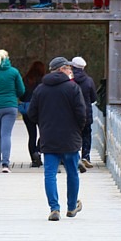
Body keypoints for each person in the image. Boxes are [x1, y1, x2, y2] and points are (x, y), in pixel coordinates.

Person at [27, 56, 86, 221]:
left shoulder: (40, 89)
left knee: (50, 174)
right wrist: (77, 130)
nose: (71, 71)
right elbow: (82, 114)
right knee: (72, 172)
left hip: (49, 137)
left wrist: (44, 123)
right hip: (70, 138)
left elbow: (32, 114)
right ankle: (72, 206)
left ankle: (54, 208)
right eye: (68, 68)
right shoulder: (73, 88)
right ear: (61, 69)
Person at [71, 56, 97, 172]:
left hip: (71, 113)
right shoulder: (89, 80)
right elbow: (93, 98)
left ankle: (74, 156)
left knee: (73, 135)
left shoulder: (69, 80)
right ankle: (86, 155)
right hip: (86, 112)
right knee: (86, 134)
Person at [20, 60, 46, 167]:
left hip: (27, 110)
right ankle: (38, 150)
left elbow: (21, 95)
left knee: (32, 135)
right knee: (44, 133)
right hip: (41, 109)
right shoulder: (44, 81)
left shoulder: (25, 79)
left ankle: (34, 160)